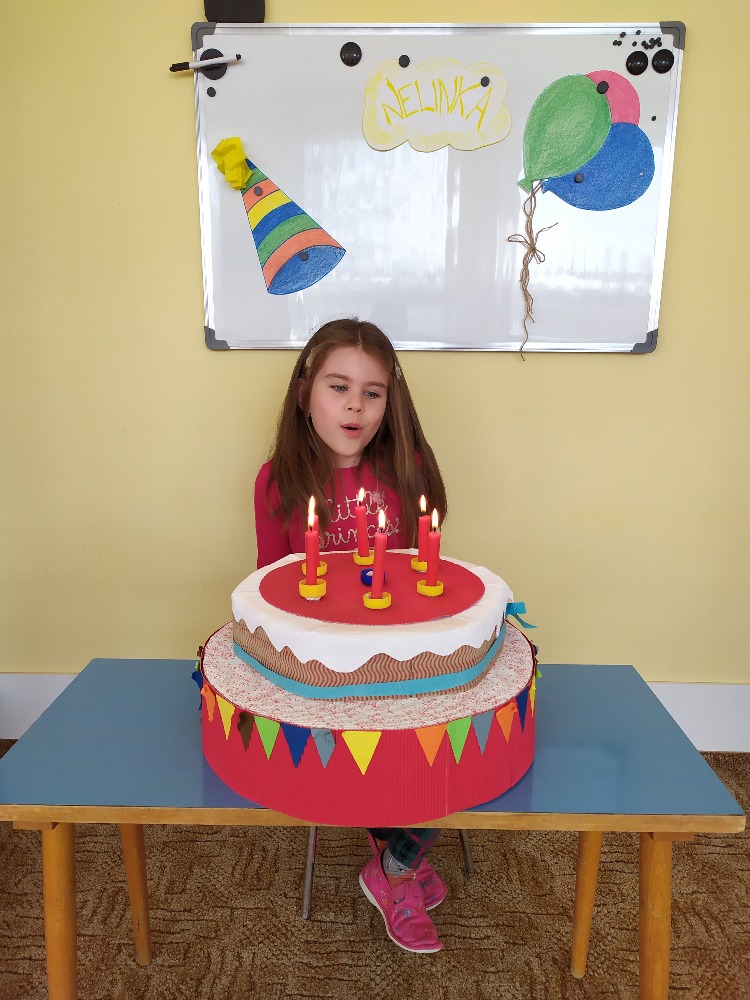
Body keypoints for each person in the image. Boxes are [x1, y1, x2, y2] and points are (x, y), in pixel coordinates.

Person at [254, 318, 448, 953]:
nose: (355, 406)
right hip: (318, 670)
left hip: (396, 660)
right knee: (379, 748)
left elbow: (422, 578)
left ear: (391, 402)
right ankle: (402, 866)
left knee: (455, 742)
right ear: (305, 392)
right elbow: (269, 587)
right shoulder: (277, 481)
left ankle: (393, 861)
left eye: (372, 392)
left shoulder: (407, 471)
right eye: (339, 387)